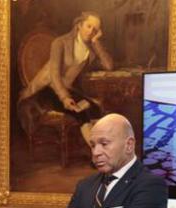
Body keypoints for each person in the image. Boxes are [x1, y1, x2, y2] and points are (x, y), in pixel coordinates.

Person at [18, 11, 114, 145]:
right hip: (45, 90)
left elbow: (109, 66)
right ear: (79, 25)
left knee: (95, 109)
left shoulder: (90, 48)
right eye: (88, 26)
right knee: (81, 113)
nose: (91, 31)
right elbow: (54, 74)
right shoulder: (60, 43)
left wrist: (96, 42)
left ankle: (99, 150)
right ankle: (95, 152)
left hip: (66, 89)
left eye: (95, 29)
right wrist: (64, 97)